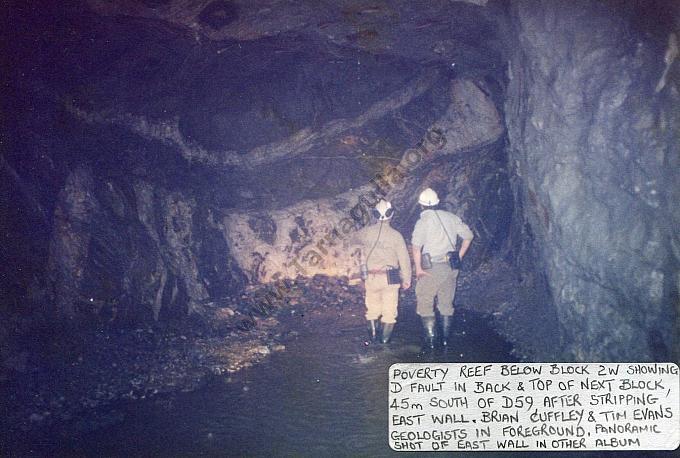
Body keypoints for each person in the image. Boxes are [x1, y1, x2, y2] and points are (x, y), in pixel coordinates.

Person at [411, 188, 473, 351]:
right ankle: (445, 344)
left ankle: (431, 345)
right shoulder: (451, 217)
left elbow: (416, 247)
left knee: (425, 302)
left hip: (432, 267)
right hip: (451, 267)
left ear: (421, 205)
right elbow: (468, 236)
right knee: (446, 304)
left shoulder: (423, 222)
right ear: (438, 202)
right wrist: (459, 256)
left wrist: (418, 269)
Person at [354, 199, 411, 344]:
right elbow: (404, 260)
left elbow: (353, 240)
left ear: (375, 214)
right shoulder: (396, 236)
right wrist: (407, 279)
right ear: (390, 214)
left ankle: (373, 343)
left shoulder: (365, 233)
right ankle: (384, 347)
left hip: (371, 277)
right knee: (389, 314)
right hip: (390, 279)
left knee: (372, 311)